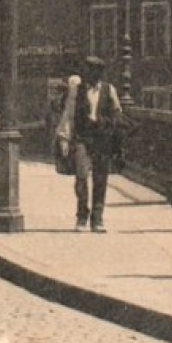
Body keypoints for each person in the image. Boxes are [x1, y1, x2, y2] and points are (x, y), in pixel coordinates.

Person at [55, 55, 128, 232]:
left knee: (100, 179)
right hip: (82, 137)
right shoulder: (76, 90)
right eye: (87, 71)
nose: (90, 75)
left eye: (94, 71)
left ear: (99, 73)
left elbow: (117, 114)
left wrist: (115, 132)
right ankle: (81, 215)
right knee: (81, 176)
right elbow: (69, 114)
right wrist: (64, 138)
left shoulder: (109, 90)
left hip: (102, 139)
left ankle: (97, 219)